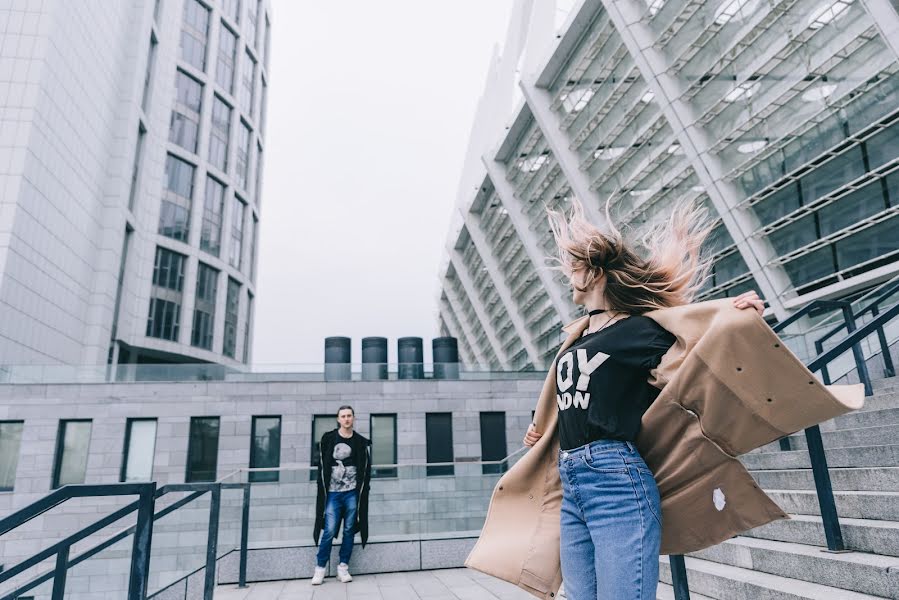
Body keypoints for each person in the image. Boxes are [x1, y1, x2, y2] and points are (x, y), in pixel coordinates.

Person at [523, 199, 763, 600]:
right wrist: (544, 428)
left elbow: (698, 347)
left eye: (574, 269)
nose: (569, 278)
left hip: (616, 481)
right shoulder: (580, 334)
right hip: (572, 483)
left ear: (594, 273)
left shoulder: (638, 331)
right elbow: (573, 395)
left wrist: (736, 313)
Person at [311, 405, 372, 585]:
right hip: (332, 494)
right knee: (329, 531)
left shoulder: (360, 443)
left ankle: (343, 567)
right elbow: (321, 466)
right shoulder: (329, 439)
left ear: (353, 418)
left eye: (349, 416)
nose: (346, 419)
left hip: (352, 494)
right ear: (338, 419)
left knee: (349, 531)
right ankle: (320, 568)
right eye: (343, 416)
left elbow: (366, 470)